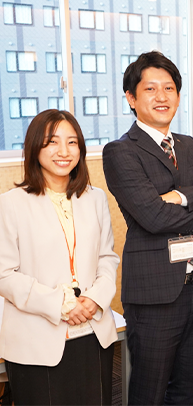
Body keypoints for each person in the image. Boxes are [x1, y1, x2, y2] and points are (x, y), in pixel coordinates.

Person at [102, 51, 193, 405]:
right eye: (150, 89)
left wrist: (181, 198)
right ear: (132, 98)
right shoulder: (121, 151)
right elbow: (152, 217)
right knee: (149, 392)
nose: (162, 96)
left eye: (169, 88)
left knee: (187, 388)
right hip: (153, 296)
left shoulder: (189, 145)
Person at [0, 109, 119, 405]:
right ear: (34, 147)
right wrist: (62, 305)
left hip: (93, 331)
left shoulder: (96, 197)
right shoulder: (10, 204)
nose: (64, 152)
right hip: (35, 339)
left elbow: (108, 257)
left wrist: (93, 300)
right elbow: (4, 274)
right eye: (52, 142)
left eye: (72, 142)